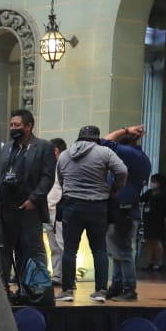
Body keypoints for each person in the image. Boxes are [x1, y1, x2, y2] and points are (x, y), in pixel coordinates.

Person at [56, 126, 127, 302]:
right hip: (98, 205)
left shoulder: (65, 154)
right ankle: (101, 291)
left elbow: (60, 177)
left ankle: (67, 291)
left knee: (70, 250)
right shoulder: (104, 152)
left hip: (72, 205)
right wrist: (114, 188)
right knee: (99, 249)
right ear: (96, 138)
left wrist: (71, 189)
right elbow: (122, 171)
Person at [0, 110, 53, 295]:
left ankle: (31, 289)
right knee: (4, 250)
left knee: (29, 250)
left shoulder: (43, 146)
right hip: (6, 207)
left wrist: (34, 199)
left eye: (17, 125)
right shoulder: (7, 148)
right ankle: (2, 289)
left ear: (29, 126)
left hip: (29, 207)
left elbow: (47, 177)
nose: (13, 128)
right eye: (12, 125)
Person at [99, 125, 150, 301]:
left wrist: (126, 130)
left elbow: (103, 141)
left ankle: (129, 289)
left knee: (124, 252)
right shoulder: (142, 157)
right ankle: (117, 285)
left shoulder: (129, 153)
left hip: (123, 209)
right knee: (117, 251)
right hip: (125, 208)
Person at [44, 137, 67, 284]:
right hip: (48, 210)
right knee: (54, 247)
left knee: (63, 244)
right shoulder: (50, 166)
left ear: (56, 150)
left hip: (60, 210)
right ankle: (57, 275)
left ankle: (68, 277)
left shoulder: (65, 165)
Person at [140, 173, 166, 272]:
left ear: (160, 183)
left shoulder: (164, 194)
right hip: (148, 219)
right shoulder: (149, 193)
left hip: (158, 220)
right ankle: (150, 262)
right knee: (149, 241)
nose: (152, 183)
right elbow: (141, 199)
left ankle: (159, 262)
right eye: (151, 181)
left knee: (156, 241)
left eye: (154, 181)